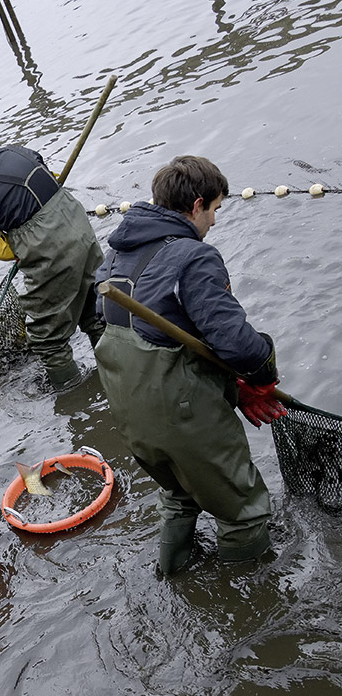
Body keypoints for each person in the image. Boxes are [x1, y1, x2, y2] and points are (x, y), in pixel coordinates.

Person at [95, 156, 284, 574]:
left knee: (180, 492)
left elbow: (108, 325)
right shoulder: (194, 256)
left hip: (129, 411)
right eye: (215, 209)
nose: (214, 221)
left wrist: (236, 386)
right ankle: (251, 602)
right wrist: (262, 375)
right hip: (180, 411)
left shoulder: (114, 256)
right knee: (244, 510)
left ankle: (173, 575)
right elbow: (239, 345)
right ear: (197, 205)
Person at [0, 130, 104, 390]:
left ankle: (72, 395)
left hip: (51, 250)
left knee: (47, 339)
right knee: (93, 310)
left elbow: (0, 250)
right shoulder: (17, 150)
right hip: (78, 224)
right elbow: (52, 180)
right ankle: (118, 372)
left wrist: (24, 243)